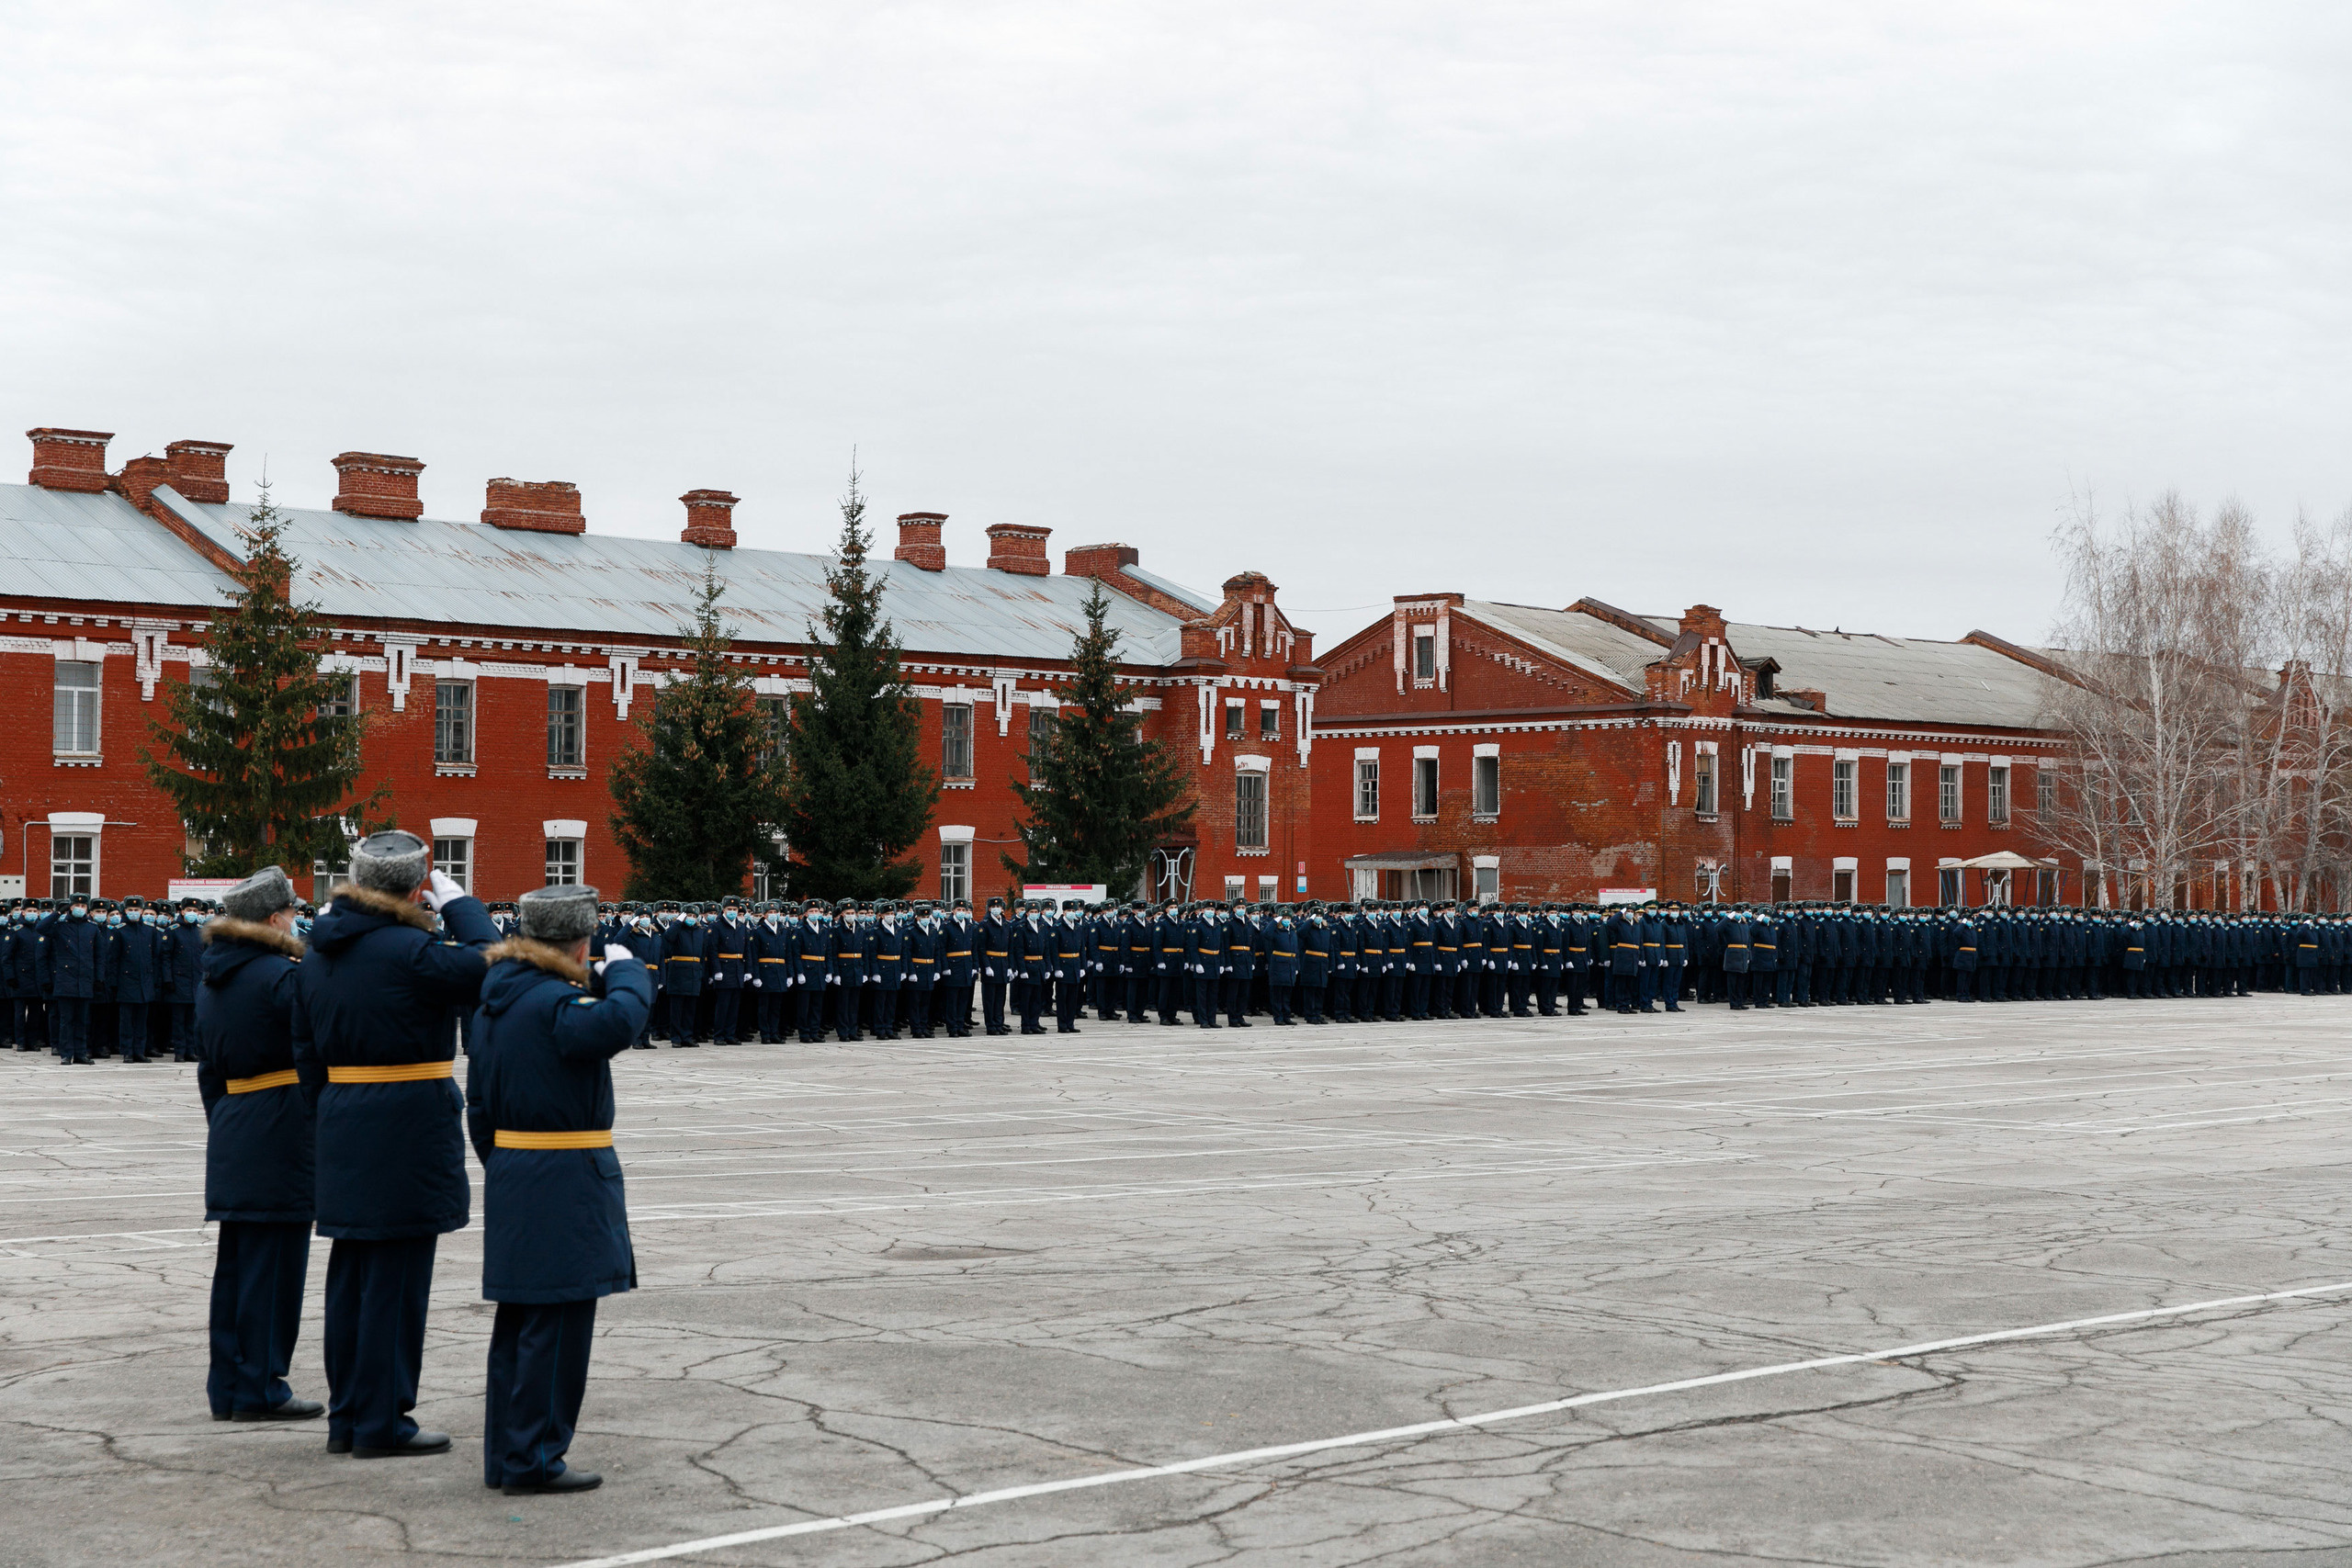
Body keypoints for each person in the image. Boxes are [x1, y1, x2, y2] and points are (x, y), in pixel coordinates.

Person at [293, 829, 496, 1459]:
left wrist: (334, 1110)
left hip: (341, 1119)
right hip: (406, 1127)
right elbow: (496, 965)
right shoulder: (414, 951)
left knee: (351, 1273)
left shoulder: (320, 951)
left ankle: (348, 1414)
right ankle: (383, 1420)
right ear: (415, 888)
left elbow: (305, 1055)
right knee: (396, 1281)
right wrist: (462, 906)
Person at [468, 884, 653, 1496]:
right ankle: (534, 1457)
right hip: (561, 1177)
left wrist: (509, 1163)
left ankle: (508, 1451)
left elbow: (478, 1109)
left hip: (519, 1169)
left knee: (520, 1321)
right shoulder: (551, 1002)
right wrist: (627, 973)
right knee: (558, 1321)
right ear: (578, 945)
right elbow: (620, 1021)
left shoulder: (498, 998)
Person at [197, 866, 322, 1425]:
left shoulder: (215, 977)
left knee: (238, 1267)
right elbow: (313, 1049)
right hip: (279, 1126)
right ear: (274, 920)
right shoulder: (280, 977)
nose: (297, 922)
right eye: (293, 914)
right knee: (273, 1268)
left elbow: (208, 1072)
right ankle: (261, 1386)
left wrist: (227, 1119)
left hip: (235, 1122)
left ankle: (229, 1384)